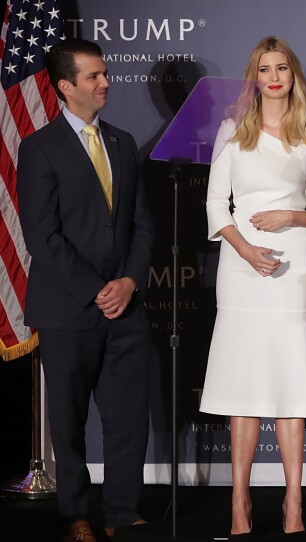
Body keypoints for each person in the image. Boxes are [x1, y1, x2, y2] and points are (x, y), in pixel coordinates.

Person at [199, 36, 306, 537]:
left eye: (281, 67)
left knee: (291, 385)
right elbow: (217, 205)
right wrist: (244, 248)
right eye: (265, 68)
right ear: (254, 77)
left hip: (293, 263)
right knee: (244, 386)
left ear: (293, 75)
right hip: (240, 268)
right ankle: (239, 505)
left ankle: (293, 505)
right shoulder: (233, 131)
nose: (274, 76)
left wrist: (290, 215)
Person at [17, 39, 154, 542]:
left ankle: (121, 510)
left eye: (105, 73)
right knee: (69, 422)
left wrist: (129, 281)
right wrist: (98, 289)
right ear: (65, 87)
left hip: (127, 306)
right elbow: (41, 235)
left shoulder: (122, 141)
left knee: (126, 418)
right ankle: (76, 513)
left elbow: (142, 225)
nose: (106, 83)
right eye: (94, 76)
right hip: (69, 307)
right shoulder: (38, 148)